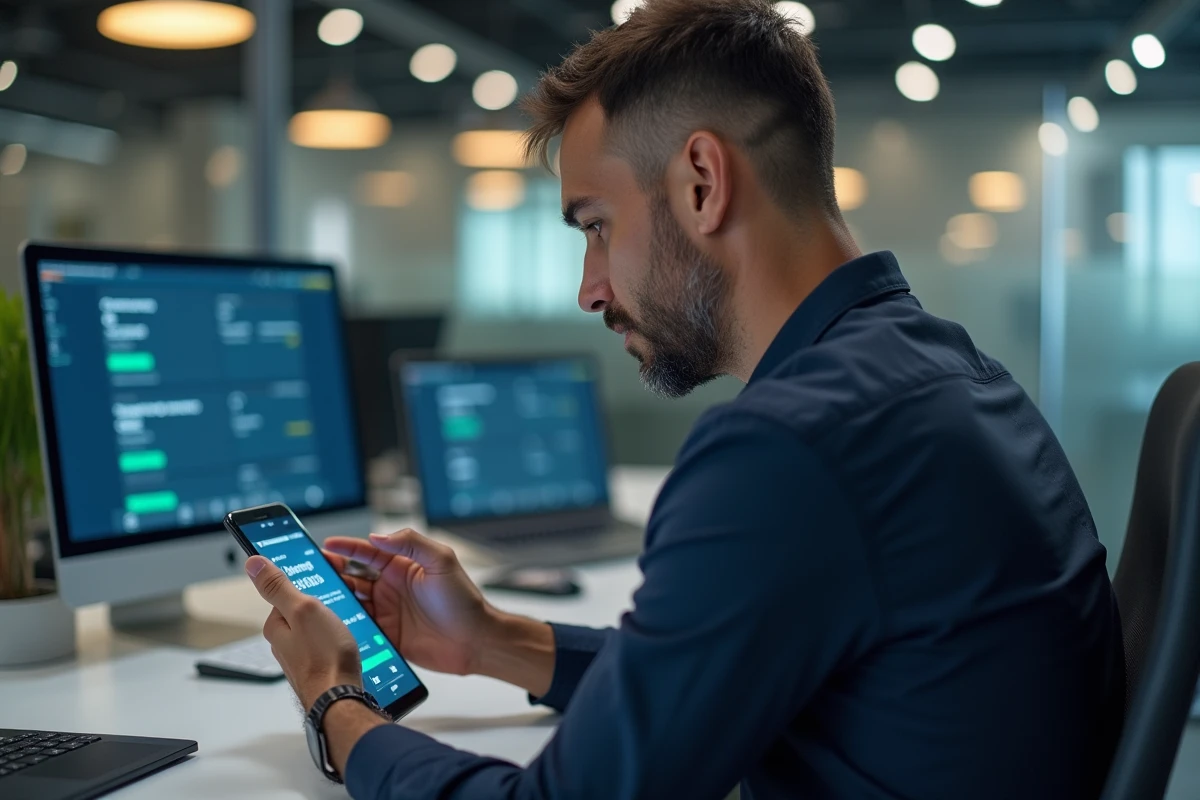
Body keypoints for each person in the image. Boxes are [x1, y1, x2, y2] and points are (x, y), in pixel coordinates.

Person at [244, 0, 1126, 797]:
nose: (589, 289)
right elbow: (716, 673)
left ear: (702, 181)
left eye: (597, 227)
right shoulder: (942, 372)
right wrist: (494, 641)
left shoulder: (790, 448)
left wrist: (338, 705)